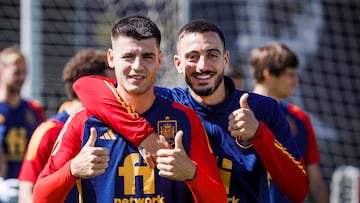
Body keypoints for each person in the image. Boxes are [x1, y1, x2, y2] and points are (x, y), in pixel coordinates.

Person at [73, 19, 309, 202]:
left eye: (212, 56)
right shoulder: (168, 104)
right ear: (177, 63)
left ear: (225, 60)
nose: (203, 66)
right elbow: (86, 86)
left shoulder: (261, 110)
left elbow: (298, 190)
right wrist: (142, 134)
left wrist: (258, 134)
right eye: (192, 57)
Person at [33, 16, 226, 203]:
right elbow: (39, 198)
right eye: (128, 56)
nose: (137, 66)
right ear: (111, 58)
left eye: (147, 57)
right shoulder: (82, 122)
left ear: (159, 59)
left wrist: (192, 174)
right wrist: (72, 170)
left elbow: (218, 199)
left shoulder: (185, 119)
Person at [17, 49, 114, 203]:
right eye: (111, 83)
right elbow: (26, 192)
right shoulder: (49, 131)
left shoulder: (111, 125)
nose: (116, 91)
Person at [250, 42, 329, 203]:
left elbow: (313, 178)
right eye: (290, 75)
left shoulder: (300, 119)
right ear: (268, 75)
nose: (296, 82)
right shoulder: (236, 114)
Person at [0, 45, 45, 202]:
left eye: (24, 73)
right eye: (16, 73)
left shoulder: (34, 110)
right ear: (1, 72)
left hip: (27, 185)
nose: (21, 78)